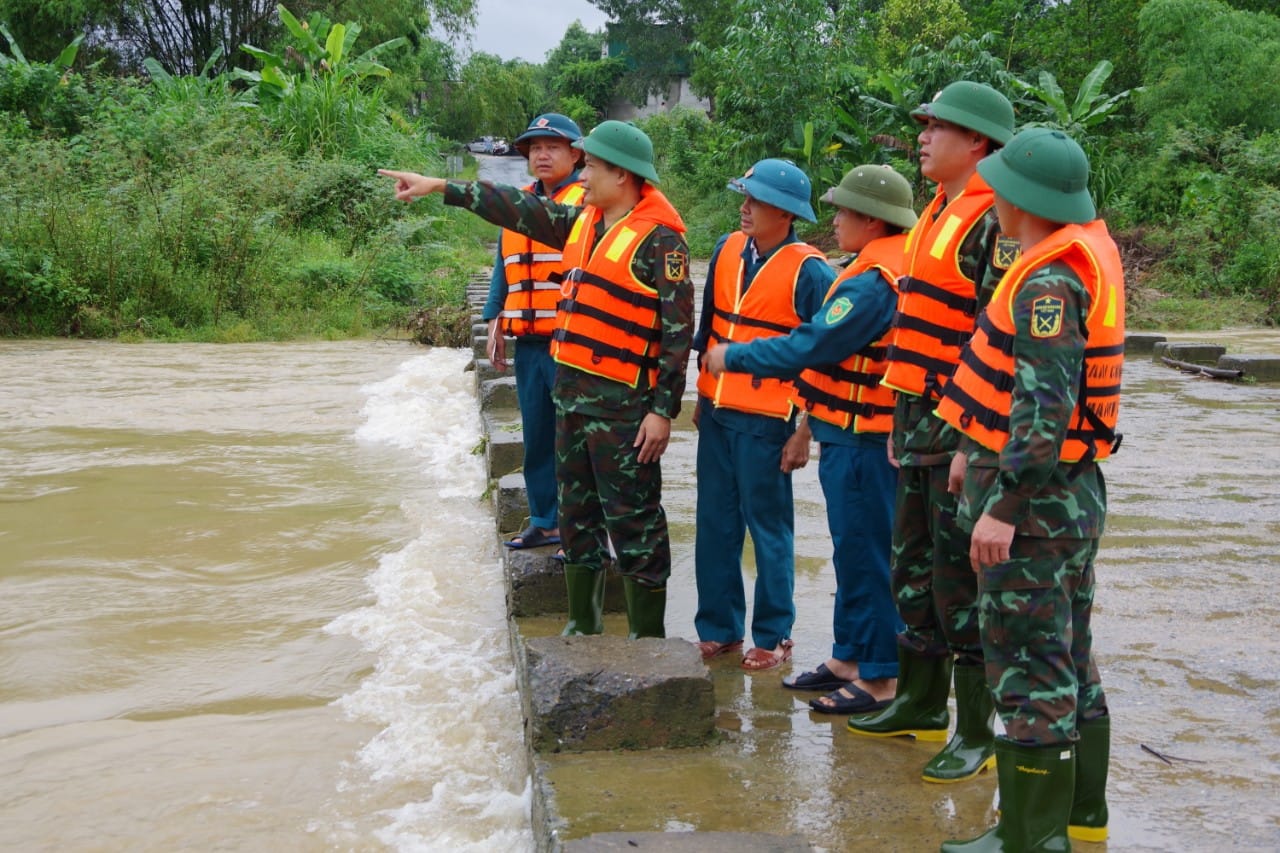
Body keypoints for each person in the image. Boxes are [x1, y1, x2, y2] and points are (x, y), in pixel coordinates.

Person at [379, 121, 694, 639]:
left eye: (591, 165)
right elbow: (517, 208)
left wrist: (663, 411)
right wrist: (440, 187)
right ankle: (581, 621)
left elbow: (678, 336)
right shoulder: (582, 223)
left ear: (622, 174)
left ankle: (646, 636)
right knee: (577, 515)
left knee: (634, 520)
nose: (583, 173)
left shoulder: (663, 244)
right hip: (571, 400)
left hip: (624, 412)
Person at [935, 127, 1122, 850]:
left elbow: (1044, 411)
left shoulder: (1047, 281)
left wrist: (1003, 508)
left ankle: (1030, 837)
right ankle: (1079, 816)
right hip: (1070, 500)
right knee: (1070, 656)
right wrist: (969, 449)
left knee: (1030, 667)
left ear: (1024, 197)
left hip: (1037, 512)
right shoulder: (1071, 261)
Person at [845, 81, 1018, 786]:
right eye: (921, 125)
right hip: (916, 425)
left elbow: (999, 342)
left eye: (936, 126)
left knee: (959, 583)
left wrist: (973, 444)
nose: (920, 136)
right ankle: (919, 702)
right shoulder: (936, 214)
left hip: (959, 434)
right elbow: (916, 332)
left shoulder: (992, 224)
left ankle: (975, 729)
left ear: (976, 142)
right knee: (912, 570)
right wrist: (899, 423)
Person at [704, 164, 916, 711]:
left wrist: (737, 357)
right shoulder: (864, 270)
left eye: (844, 210)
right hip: (840, 430)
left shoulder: (868, 283)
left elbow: (810, 346)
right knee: (850, 551)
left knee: (868, 555)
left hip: (860, 436)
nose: (836, 219)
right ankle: (849, 656)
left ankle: (880, 675)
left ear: (871, 221)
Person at [692, 159, 836, 671]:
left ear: (786, 212)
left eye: (754, 200)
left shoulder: (813, 272)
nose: (743, 207)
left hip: (768, 422)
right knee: (714, 524)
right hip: (716, 413)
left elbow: (829, 359)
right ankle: (719, 629)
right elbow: (707, 326)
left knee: (769, 530)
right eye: (744, 197)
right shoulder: (727, 249)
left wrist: (805, 432)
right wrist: (700, 399)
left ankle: (774, 634)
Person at [481, 113, 584, 552]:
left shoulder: (588, 203)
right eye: (534, 148)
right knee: (537, 435)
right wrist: (494, 321)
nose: (542, 154)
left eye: (553, 146)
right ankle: (545, 520)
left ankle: (579, 528)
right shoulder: (519, 203)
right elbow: (504, 270)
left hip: (574, 342)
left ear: (576, 154)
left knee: (573, 439)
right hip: (529, 342)